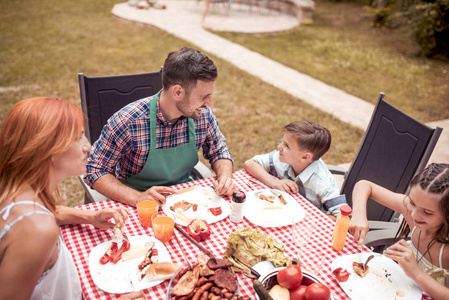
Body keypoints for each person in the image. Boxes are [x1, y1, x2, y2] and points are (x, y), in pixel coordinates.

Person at [0, 97, 145, 300]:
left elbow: (49, 211)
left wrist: (91, 217)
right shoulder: (37, 230)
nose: (88, 146)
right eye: (77, 138)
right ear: (48, 149)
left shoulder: (17, 192)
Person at [84, 47, 236, 207]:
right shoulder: (128, 122)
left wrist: (225, 176)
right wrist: (138, 198)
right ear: (177, 92)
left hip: (185, 202)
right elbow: (96, 170)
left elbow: (219, 151)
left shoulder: (202, 115)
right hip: (136, 204)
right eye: (203, 96)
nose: (209, 103)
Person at [350, 163, 449, 299]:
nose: (414, 215)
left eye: (427, 212)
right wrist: (359, 214)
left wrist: (416, 273)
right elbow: (364, 185)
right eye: (412, 202)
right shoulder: (413, 212)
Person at [244, 120, 347, 218]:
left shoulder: (323, 184)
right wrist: (273, 181)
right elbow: (250, 163)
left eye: (287, 146)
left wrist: (306, 217)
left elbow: (344, 217)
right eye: (282, 142)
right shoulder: (281, 159)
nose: (279, 147)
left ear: (305, 157)